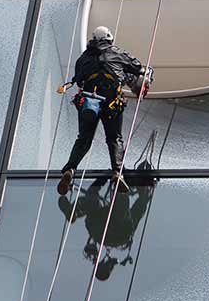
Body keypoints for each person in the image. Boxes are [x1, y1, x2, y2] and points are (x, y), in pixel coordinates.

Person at [56, 26, 148, 195]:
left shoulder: (83, 58)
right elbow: (137, 66)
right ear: (109, 38)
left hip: (89, 104)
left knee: (83, 138)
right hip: (111, 103)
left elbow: (78, 79)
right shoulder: (117, 52)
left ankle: (70, 169)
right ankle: (117, 172)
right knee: (114, 138)